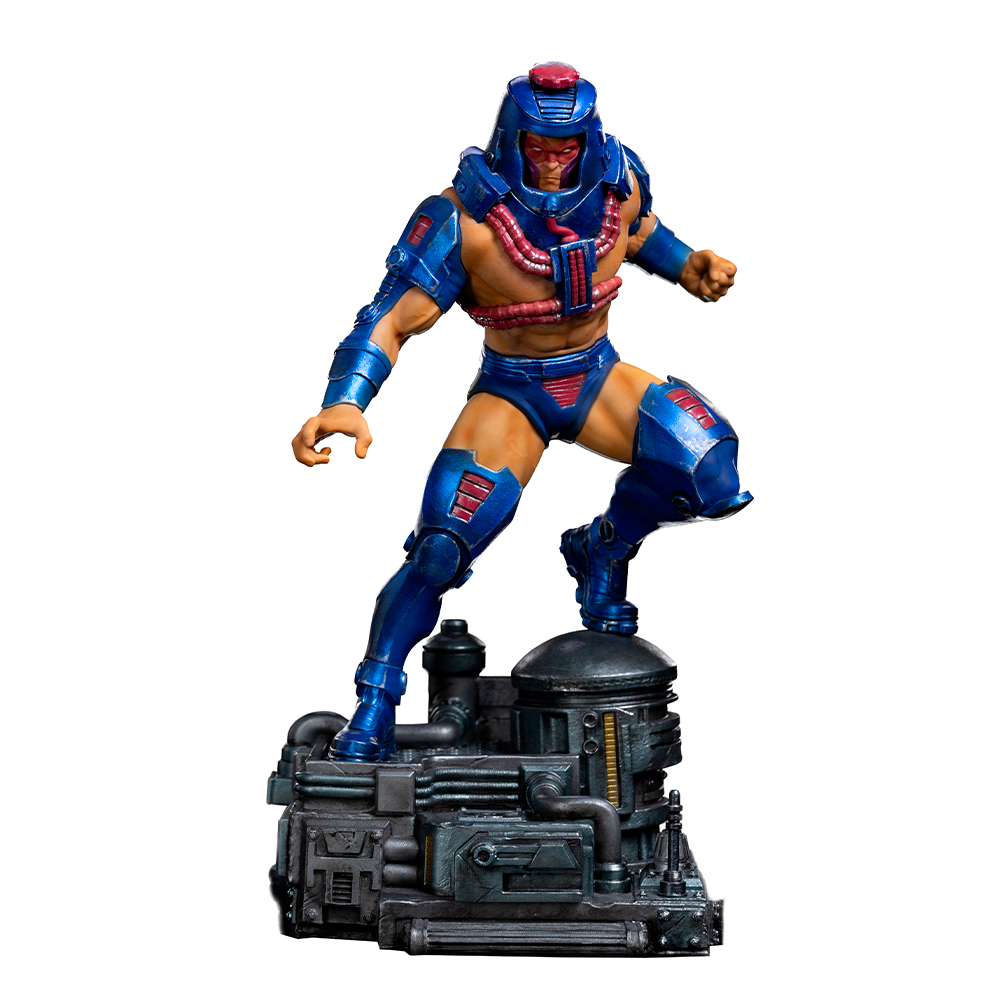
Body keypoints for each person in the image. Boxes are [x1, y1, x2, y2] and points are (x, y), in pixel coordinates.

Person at [292, 63, 751, 761]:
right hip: (512, 393)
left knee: (709, 469)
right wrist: (344, 401)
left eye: (568, 145)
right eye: (540, 144)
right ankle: (376, 699)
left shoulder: (619, 181)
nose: (554, 158)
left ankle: (604, 546)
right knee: (441, 547)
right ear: (512, 136)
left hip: (596, 376)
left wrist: (690, 266)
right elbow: (389, 318)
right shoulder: (462, 219)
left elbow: (642, 233)